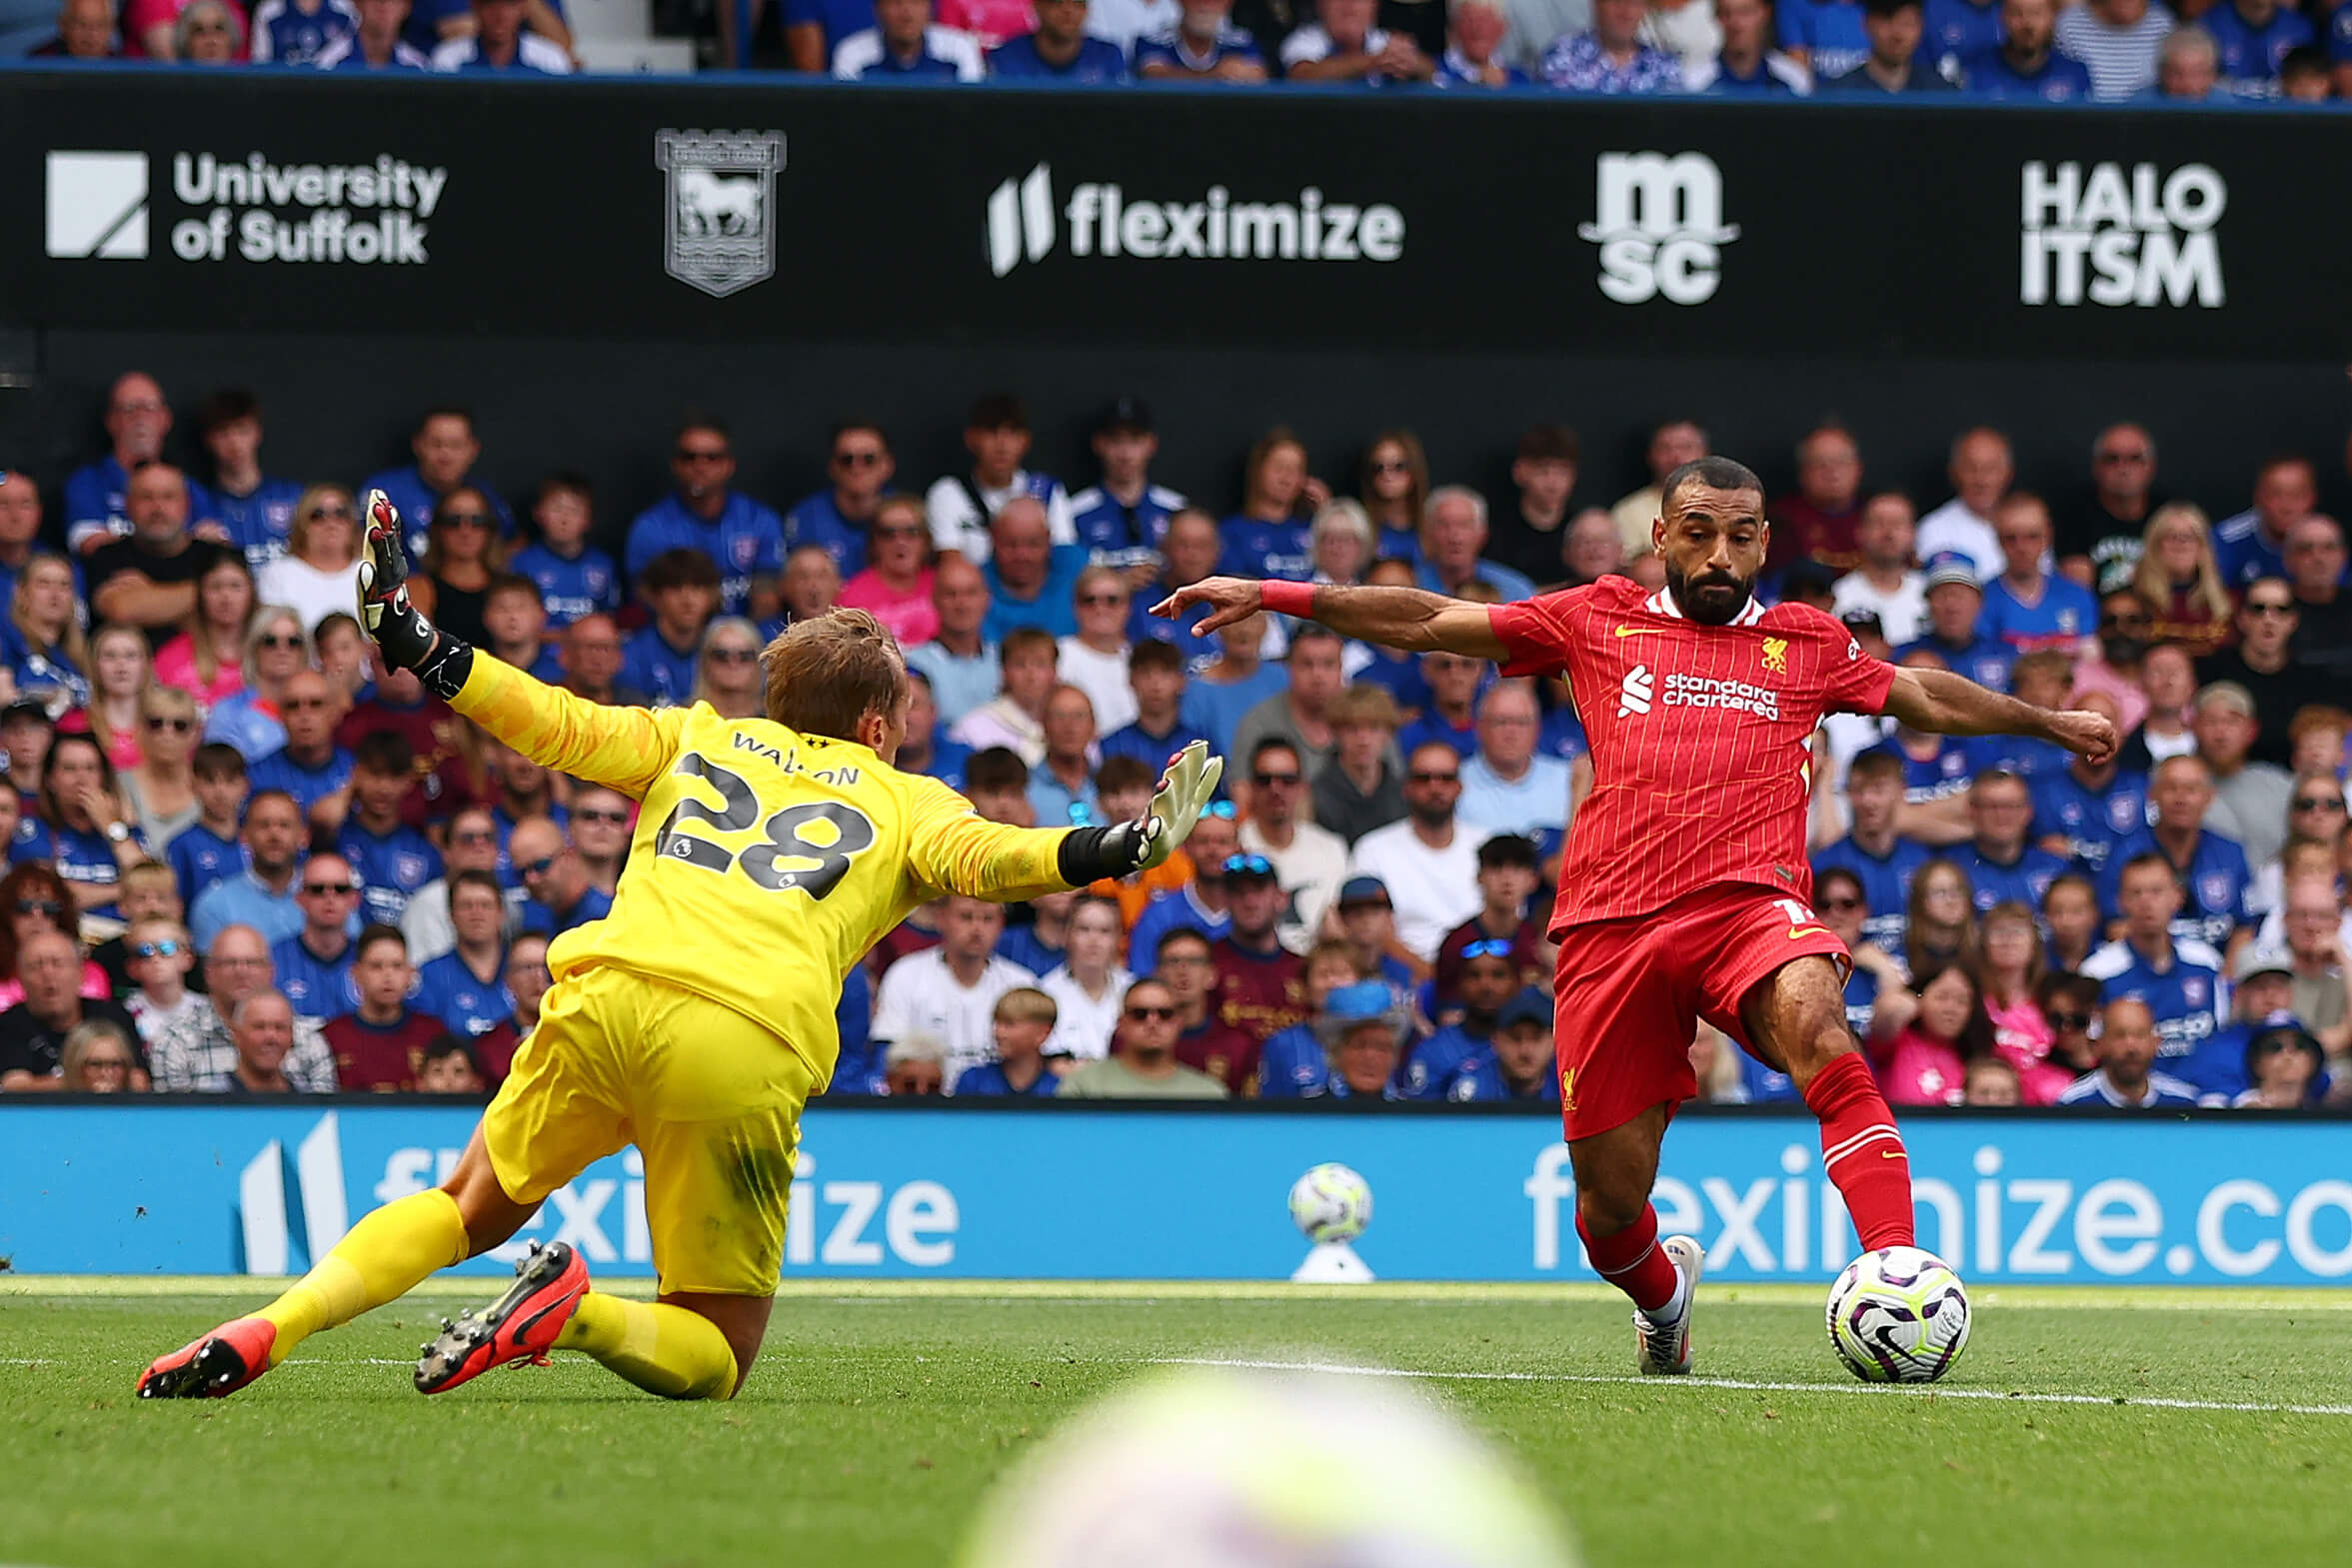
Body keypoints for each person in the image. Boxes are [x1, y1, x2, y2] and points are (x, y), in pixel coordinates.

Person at [142, 495, 1220, 1401]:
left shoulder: (695, 735)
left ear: (775, 697)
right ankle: (578, 1315)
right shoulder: (904, 802)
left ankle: (273, 1325)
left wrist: (421, 643)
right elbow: (1003, 858)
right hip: (740, 1036)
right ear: (881, 726)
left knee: (467, 1203)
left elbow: (549, 719)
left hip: (604, 993)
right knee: (716, 1351)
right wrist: (1122, 843)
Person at [1158, 452, 2114, 1373]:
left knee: (1820, 1024)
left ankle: (1897, 1265)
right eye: (1697, 533)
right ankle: (1664, 1302)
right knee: (1607, 1211)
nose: (1719, 557)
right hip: (1612, 927)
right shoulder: (1598, 619)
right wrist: (1279, 595)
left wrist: (2046, 721)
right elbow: (1430, 620)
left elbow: (1919, 695)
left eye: (1740, 538)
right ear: (1659, 535)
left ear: (1763, 542)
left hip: (1749, 907)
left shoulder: (1803, 642)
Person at [2083, 850, 2227, 1068]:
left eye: (2156, 891)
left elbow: (2221, 1035)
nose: (2146, 902)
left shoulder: (2206, 961)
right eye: (2136, 893)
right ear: (2120, 902)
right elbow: (2093, 1051)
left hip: (2204, 1095)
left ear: (2177, 897)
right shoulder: (2097, 973)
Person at [2098, 756, 2255, 954]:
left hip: (2217, 969)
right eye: (2171, 788)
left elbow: (2245, 927)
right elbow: (2115, 928)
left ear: (2209, 797)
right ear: (2152, 794)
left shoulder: (2231, 853)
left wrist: (2226, 979)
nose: (2180, 799)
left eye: (2191, 790)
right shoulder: (2123, 853)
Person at [1348, 742, 1487, 961]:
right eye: (1423, 778)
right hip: (1399, 972)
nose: (1435, 787)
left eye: (1446, 778)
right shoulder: (1373, 848)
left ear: (1460, 787)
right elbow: (1366, 928)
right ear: (1407, 787)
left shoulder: (1485, 844)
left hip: (1477, 970)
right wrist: (1426, 973)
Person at [0, 931, 146, 1092]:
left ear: (81, 973)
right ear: (20, 978)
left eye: (58, 963)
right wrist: (86, 1083)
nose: (48, 974)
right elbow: (15, 1087)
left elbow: (138, 1081)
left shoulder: (112, 1015)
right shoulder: (9, 1024)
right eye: (36, 966)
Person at [1057, 977, 1229, 1098]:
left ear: (1178, 1023)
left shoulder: (1208, 1094)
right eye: (1140, 1014)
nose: (1152, 1022)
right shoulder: (1083, 1086)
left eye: (1165, 1014)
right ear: (1121, 1024)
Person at [323, 924, 447, 1091]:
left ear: (410, 974)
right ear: (356, 973)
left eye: (397, 966)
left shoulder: (433, 1034)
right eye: (376, 966)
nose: (388, 976)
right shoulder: (331, 1037)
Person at [2193, 684, 2293, 871]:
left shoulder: (2281, 786)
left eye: (2232, 721)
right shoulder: (2175, 785)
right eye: (2211, 721)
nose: (2221, 733)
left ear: (2251, 730)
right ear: (2195, 727)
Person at [508, 475, 620, 633]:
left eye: (574, 510)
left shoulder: (604, 564)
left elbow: (610, 620)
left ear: (588, 518)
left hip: (587, 653)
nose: (564, 519)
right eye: (556, 508)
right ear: (538, 513)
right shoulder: (520, 563)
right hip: (535, 653)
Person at [905, 556, 999, 731]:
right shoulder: (912, 665)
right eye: (950, 594)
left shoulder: (1004, 661)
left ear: (987, 599)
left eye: (971, 593)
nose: (961, 604)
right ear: (934, 600)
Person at [621, 549, 722, 709]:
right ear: (654, 597)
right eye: (675, 588)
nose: (687, 600)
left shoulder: (726, 650)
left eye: (697, 588)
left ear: (712, 596)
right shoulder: (631, 654)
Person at [2056, 996, 2200, 1107]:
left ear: (2156, 1043)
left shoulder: (2183, 1104)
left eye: (2140, 1035)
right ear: (2100, 1045)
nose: (2131, 1048)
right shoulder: (2072, 1105)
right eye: (2120, 1035)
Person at [2131, 503, 2234, 659]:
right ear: (2155, 546)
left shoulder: (2227, 602)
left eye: (2189, 536)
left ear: (2203, 548)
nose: (2180, 544)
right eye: (2171, 536)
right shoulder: (2135, 601)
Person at [1038, 895, 1132, 1063]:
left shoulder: (1132, 991)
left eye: (1105, 931)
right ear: (1066, 934)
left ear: (1118, 938)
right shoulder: (1044, 993)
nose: (1094, 940)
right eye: (1084, 929)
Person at [1312, 682, 1405, 845]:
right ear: (1335, 733)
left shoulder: (1403, 793)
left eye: (1374, 728)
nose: (1363, 740)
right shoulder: (1316, 794)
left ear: (1388, 733)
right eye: (1352, 729)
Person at [1099, 639, 1207, 775]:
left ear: (1181, 681)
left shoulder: (1199, 747)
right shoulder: (1111, 746)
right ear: (1131, 680)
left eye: (1165, 673)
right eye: (1145, 673)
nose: (1155, 685)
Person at [165, 743, 247, 907]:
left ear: (245, 786)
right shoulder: (180, 845)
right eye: (210, 781)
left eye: (230, 781)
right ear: (193, 785)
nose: (220, 792)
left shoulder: (259, 839)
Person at [1961, 0, 2091, 95]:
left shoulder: (2075, 75)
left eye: (2036, 13)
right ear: (2002, 17)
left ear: (2053, 17)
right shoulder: (1974, 72)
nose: (2028, 24)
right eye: (2017, 13)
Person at [1541, 0, 1684, 86]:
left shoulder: (1665, 67)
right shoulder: (1562, 56)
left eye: (1635, 3)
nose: (1626, 12)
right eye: (1616, 1)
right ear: (1596, 5)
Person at [1819, 0, 1953, 88]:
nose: (1897, 34)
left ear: (1921, 27)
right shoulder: (1840, 95)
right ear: (1867, 24)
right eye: (1887, 21)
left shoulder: (1940, 93)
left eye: (1907, 23)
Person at [834, 0, 987, 75]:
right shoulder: (852, 54)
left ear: (930, 9)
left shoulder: (959, 49)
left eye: (916, 2)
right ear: (877, 10)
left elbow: (972, 115)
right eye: (895, 3)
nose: (907, 15)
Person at [1134, 0, 1267, 77]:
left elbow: (1259, 76)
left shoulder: (1241, 42)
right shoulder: (1154, 41)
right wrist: (1215, 75)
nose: (1205, 5)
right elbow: (1154, 77)